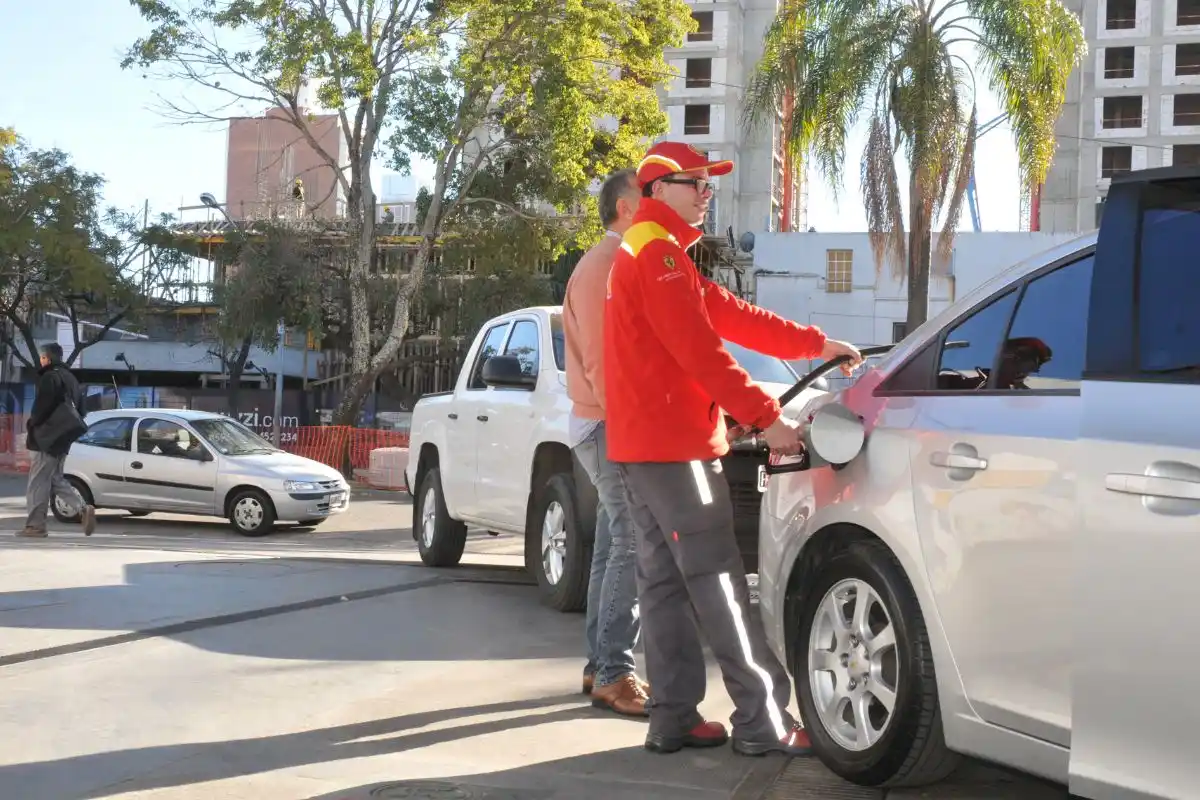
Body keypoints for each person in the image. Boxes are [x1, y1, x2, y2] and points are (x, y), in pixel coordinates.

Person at [604, 142, 863, 756]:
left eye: (708, 183)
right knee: (720, 580)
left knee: (662, 583)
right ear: (655, 190)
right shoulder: (660, 254)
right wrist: (768, 419)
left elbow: (730, 314)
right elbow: (701, 349)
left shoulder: (651, 252)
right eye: (693, 182)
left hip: (643, 448)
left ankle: (673, 717)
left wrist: (814, 343)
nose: (705, 192)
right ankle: (763, 720)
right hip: (676, 448)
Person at [563, 168, 651, 716]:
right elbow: (601, 357)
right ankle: (615, 672)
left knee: (615, 544)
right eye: (650, 196)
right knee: (634, 541)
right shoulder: (609, 263)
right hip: (607, 422)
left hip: (597, 420)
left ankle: (601, 665)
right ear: (626, 208)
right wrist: (632, 424)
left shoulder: (607, 260)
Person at [20, 343, 95, 538]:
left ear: (48, 358)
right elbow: (82, 411)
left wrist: (32, 425)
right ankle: (81, 507)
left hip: (46, 439)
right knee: (55, 478)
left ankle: (35, 526)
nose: (41, 360)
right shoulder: (71, 378)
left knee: (38, 481)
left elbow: (41, 409)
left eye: (43, 357)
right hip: (64, 439)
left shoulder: (49, 377)